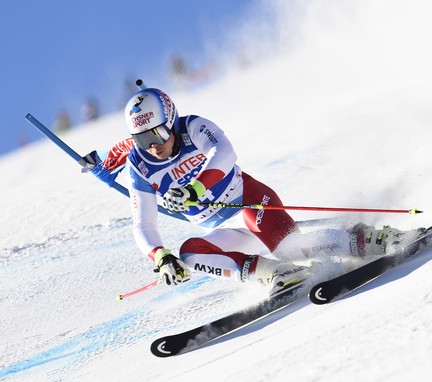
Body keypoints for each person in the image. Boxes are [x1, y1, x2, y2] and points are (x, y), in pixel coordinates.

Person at [97, 87, 411, 295]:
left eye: (159, 132)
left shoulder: (193, 128)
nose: (153, 145)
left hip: (248, 200)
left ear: (172, 120)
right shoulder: (139, 166)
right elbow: (144, 223)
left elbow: (225, 154)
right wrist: (161, 256)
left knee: (287, 245)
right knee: (190, 254)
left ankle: (370, 239)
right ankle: (279, 275)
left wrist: (195, 187)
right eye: (141, 139)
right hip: (224, 227)